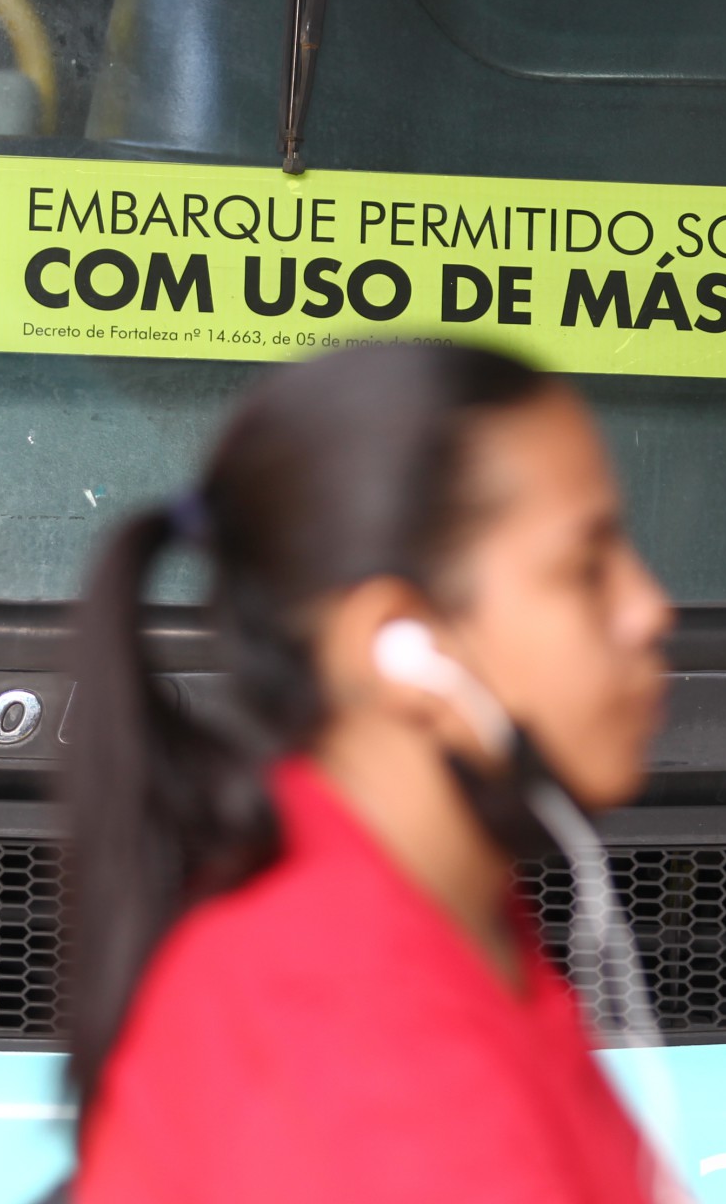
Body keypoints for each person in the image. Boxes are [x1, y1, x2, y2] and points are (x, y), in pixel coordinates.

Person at [65, 341, 677, 1203]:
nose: (651, 608)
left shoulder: (456, 918)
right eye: (586, 568)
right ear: (402, 647)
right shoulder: (341, 1031)